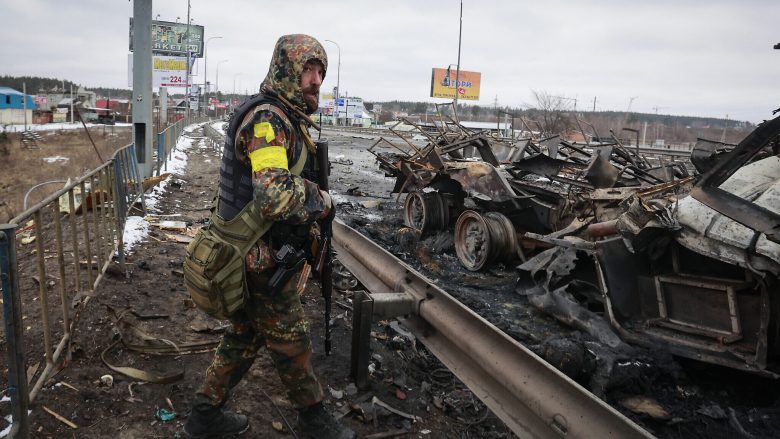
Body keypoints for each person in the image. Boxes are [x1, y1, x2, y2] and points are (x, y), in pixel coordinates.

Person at [184, 34, 356, 439]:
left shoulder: (286, 117)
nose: (316, 80)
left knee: (245, 335)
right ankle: (314, 420)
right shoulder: (268, 121)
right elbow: (274, 194)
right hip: (254, 254)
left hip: (256, 250)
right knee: (291, 337)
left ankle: (203, 416)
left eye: (320, 72)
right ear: (286, 71)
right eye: (308, 71)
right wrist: (323, 199)